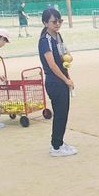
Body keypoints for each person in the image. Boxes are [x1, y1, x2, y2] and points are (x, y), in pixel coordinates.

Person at [39, 8, 77, 157]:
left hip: (62, 79)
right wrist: (66, 80)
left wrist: (68, 58)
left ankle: (59, 142)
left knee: (63, 113)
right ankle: (56, 147)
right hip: (55, 81)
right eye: (54, 22)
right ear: (45, 23)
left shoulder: (58, 36)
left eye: (59, 21)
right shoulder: (45, 40)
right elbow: (52, 65)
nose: (57, 24)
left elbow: (64, 54)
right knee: (60, 114)